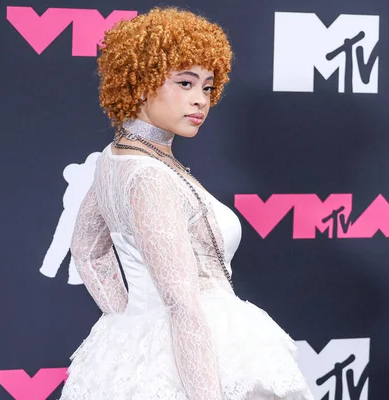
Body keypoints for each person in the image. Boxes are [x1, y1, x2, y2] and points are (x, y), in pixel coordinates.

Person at [59, 7, 314, 400]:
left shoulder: (117, 158)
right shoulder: (148, 175)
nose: (201, 101)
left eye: (208, 88)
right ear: (140, 82)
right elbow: (181, 302)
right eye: (185, 83)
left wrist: (128, 321)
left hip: (158, 348)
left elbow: (89, 252)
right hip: (201, 354)